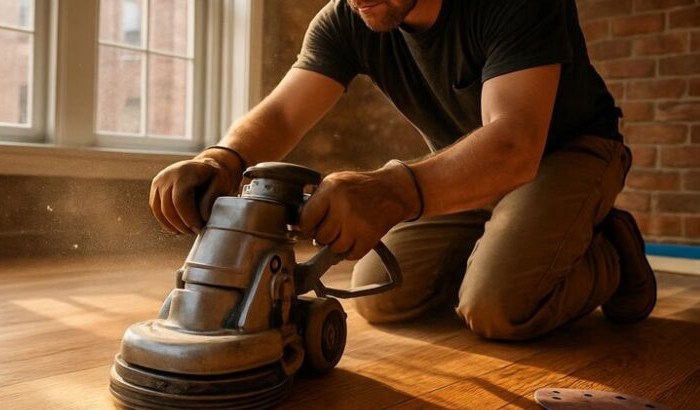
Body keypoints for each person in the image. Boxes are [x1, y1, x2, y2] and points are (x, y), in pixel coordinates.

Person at [148, 0, 657, 340]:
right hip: (467, 168)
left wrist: (393, 190)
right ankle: (515, 243)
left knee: (499, 307)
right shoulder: (347, 16)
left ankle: (610, 249)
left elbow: (514, 143)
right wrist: (220, 157)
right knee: (382, 295)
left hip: (566, 153)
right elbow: (283, 113)